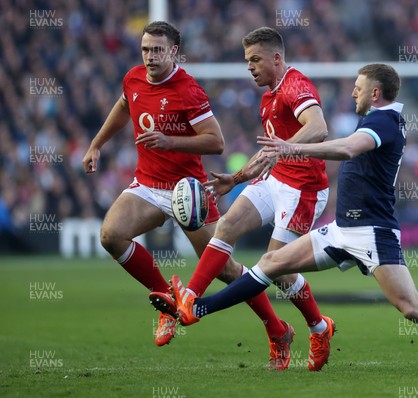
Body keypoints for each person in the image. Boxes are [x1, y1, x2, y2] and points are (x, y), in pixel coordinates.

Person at [154, 63, 418, 376]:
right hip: (342, 230)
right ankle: (196, 309)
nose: (352, 95)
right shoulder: (377, 118)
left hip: (373, 234)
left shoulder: (386, 121)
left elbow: (346, 148)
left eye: (358, 89)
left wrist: (292, 147)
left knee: (412, 308)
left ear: (375, 92)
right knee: (272, 263)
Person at [82, 22, 299, 370]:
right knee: (111, 235)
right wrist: (96, 145)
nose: (151, 56)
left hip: (189, 193)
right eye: (146, 49)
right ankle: (167, 300)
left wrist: (171, 142)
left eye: (158, 50)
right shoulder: (134, 78)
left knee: (226, 270)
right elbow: (124, 107)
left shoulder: (188, 90)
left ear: (174, 52)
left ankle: (277, 330)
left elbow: (216, 142)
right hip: (149, 185)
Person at [150, 27, 335, 371]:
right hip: (276, 180)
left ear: (276, 58)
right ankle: (190, 298)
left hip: (303, 189)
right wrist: (234, 180)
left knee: (276, 268)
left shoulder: (296, 85)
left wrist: (287, 146)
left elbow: (318, 126)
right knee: (227, 226)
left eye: (255, 59)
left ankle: (320, 328)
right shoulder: (268, 97)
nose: (249, 67)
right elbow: (269, 156)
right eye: (246, 60)